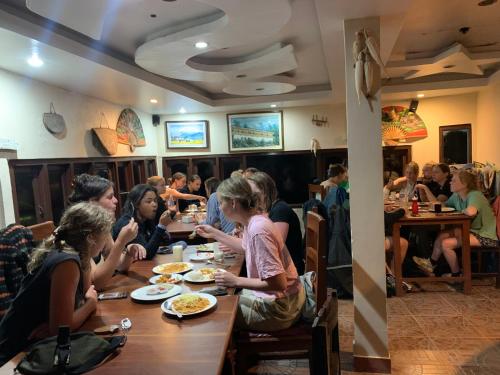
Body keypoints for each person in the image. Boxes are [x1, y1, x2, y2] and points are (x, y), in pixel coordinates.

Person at [0, 203, 112, 365]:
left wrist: (81, 306)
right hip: (15, 354)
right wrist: (90, 304)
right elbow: (61, 329)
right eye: (105, 235)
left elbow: (87, 291)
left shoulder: (76, 253)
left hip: (37, 346)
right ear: (91, 238)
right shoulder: (66, 262)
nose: (106, 241)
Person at [195, 176, 305, 331]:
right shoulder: (254, 221)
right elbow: (245, 247)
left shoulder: (258, 230)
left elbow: (279, 283)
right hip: (285, 299)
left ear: (233, 202)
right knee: (214, 298)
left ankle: (232, 353)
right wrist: (214, 233)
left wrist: (236, 281)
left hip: (281, 308)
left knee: (213, 312)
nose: (219, 208)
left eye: (221, 203)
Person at [413, 169, 499, 277]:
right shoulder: (456, 196)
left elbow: (471, 212)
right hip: (472, 231)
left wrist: (460, 211)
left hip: (485, 236)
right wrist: (425, 189)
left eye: (454, 180)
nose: (450, 182)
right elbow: (441, 205)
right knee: (442, 235)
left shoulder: (475, 195)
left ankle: (456, 275)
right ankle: (431, 264)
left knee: (446, 244)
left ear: (464, 183)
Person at [68, 174, 142, 290]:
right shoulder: (79, 231)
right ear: (92, 203)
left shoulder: (101, 227)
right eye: (110, 197)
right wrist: (121, 241)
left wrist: (129, 251)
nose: (116, 200)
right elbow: (96, 283)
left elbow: (119, 265)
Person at [247, 172, 304, 274]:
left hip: (288, 273)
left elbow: (273, 247)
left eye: (254, 194)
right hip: (276, 269)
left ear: (265, 192)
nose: (250, 199)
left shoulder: (280, 210)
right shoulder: (266, 211)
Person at [113, 184, 174, 260]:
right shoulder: (129, 223)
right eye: (149, 201)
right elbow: (145, 255)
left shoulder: (146, 219)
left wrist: (163, 232)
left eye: (155, 200)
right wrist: (161, 226)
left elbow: (161, 242)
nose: (154, 204)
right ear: (136, 204)